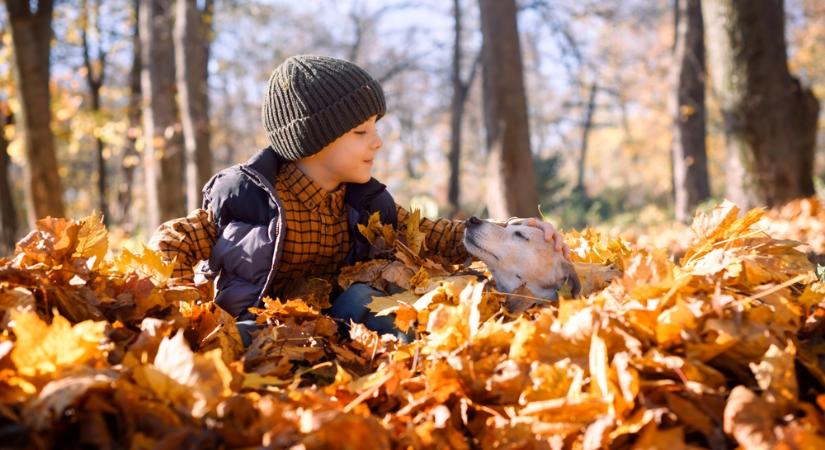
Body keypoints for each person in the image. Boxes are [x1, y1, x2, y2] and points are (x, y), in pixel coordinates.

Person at [149, 55, 567, 346]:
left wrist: (515, 229)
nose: (378, 142)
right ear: (313, 140)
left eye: (375, 128)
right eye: (361, 133)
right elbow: (174, 240)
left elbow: (431, 235)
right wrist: (183, 304)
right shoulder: (247, 197)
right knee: (242, 338)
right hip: (261, 324)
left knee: (376, 301)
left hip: (336, 324)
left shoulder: (369, 204)